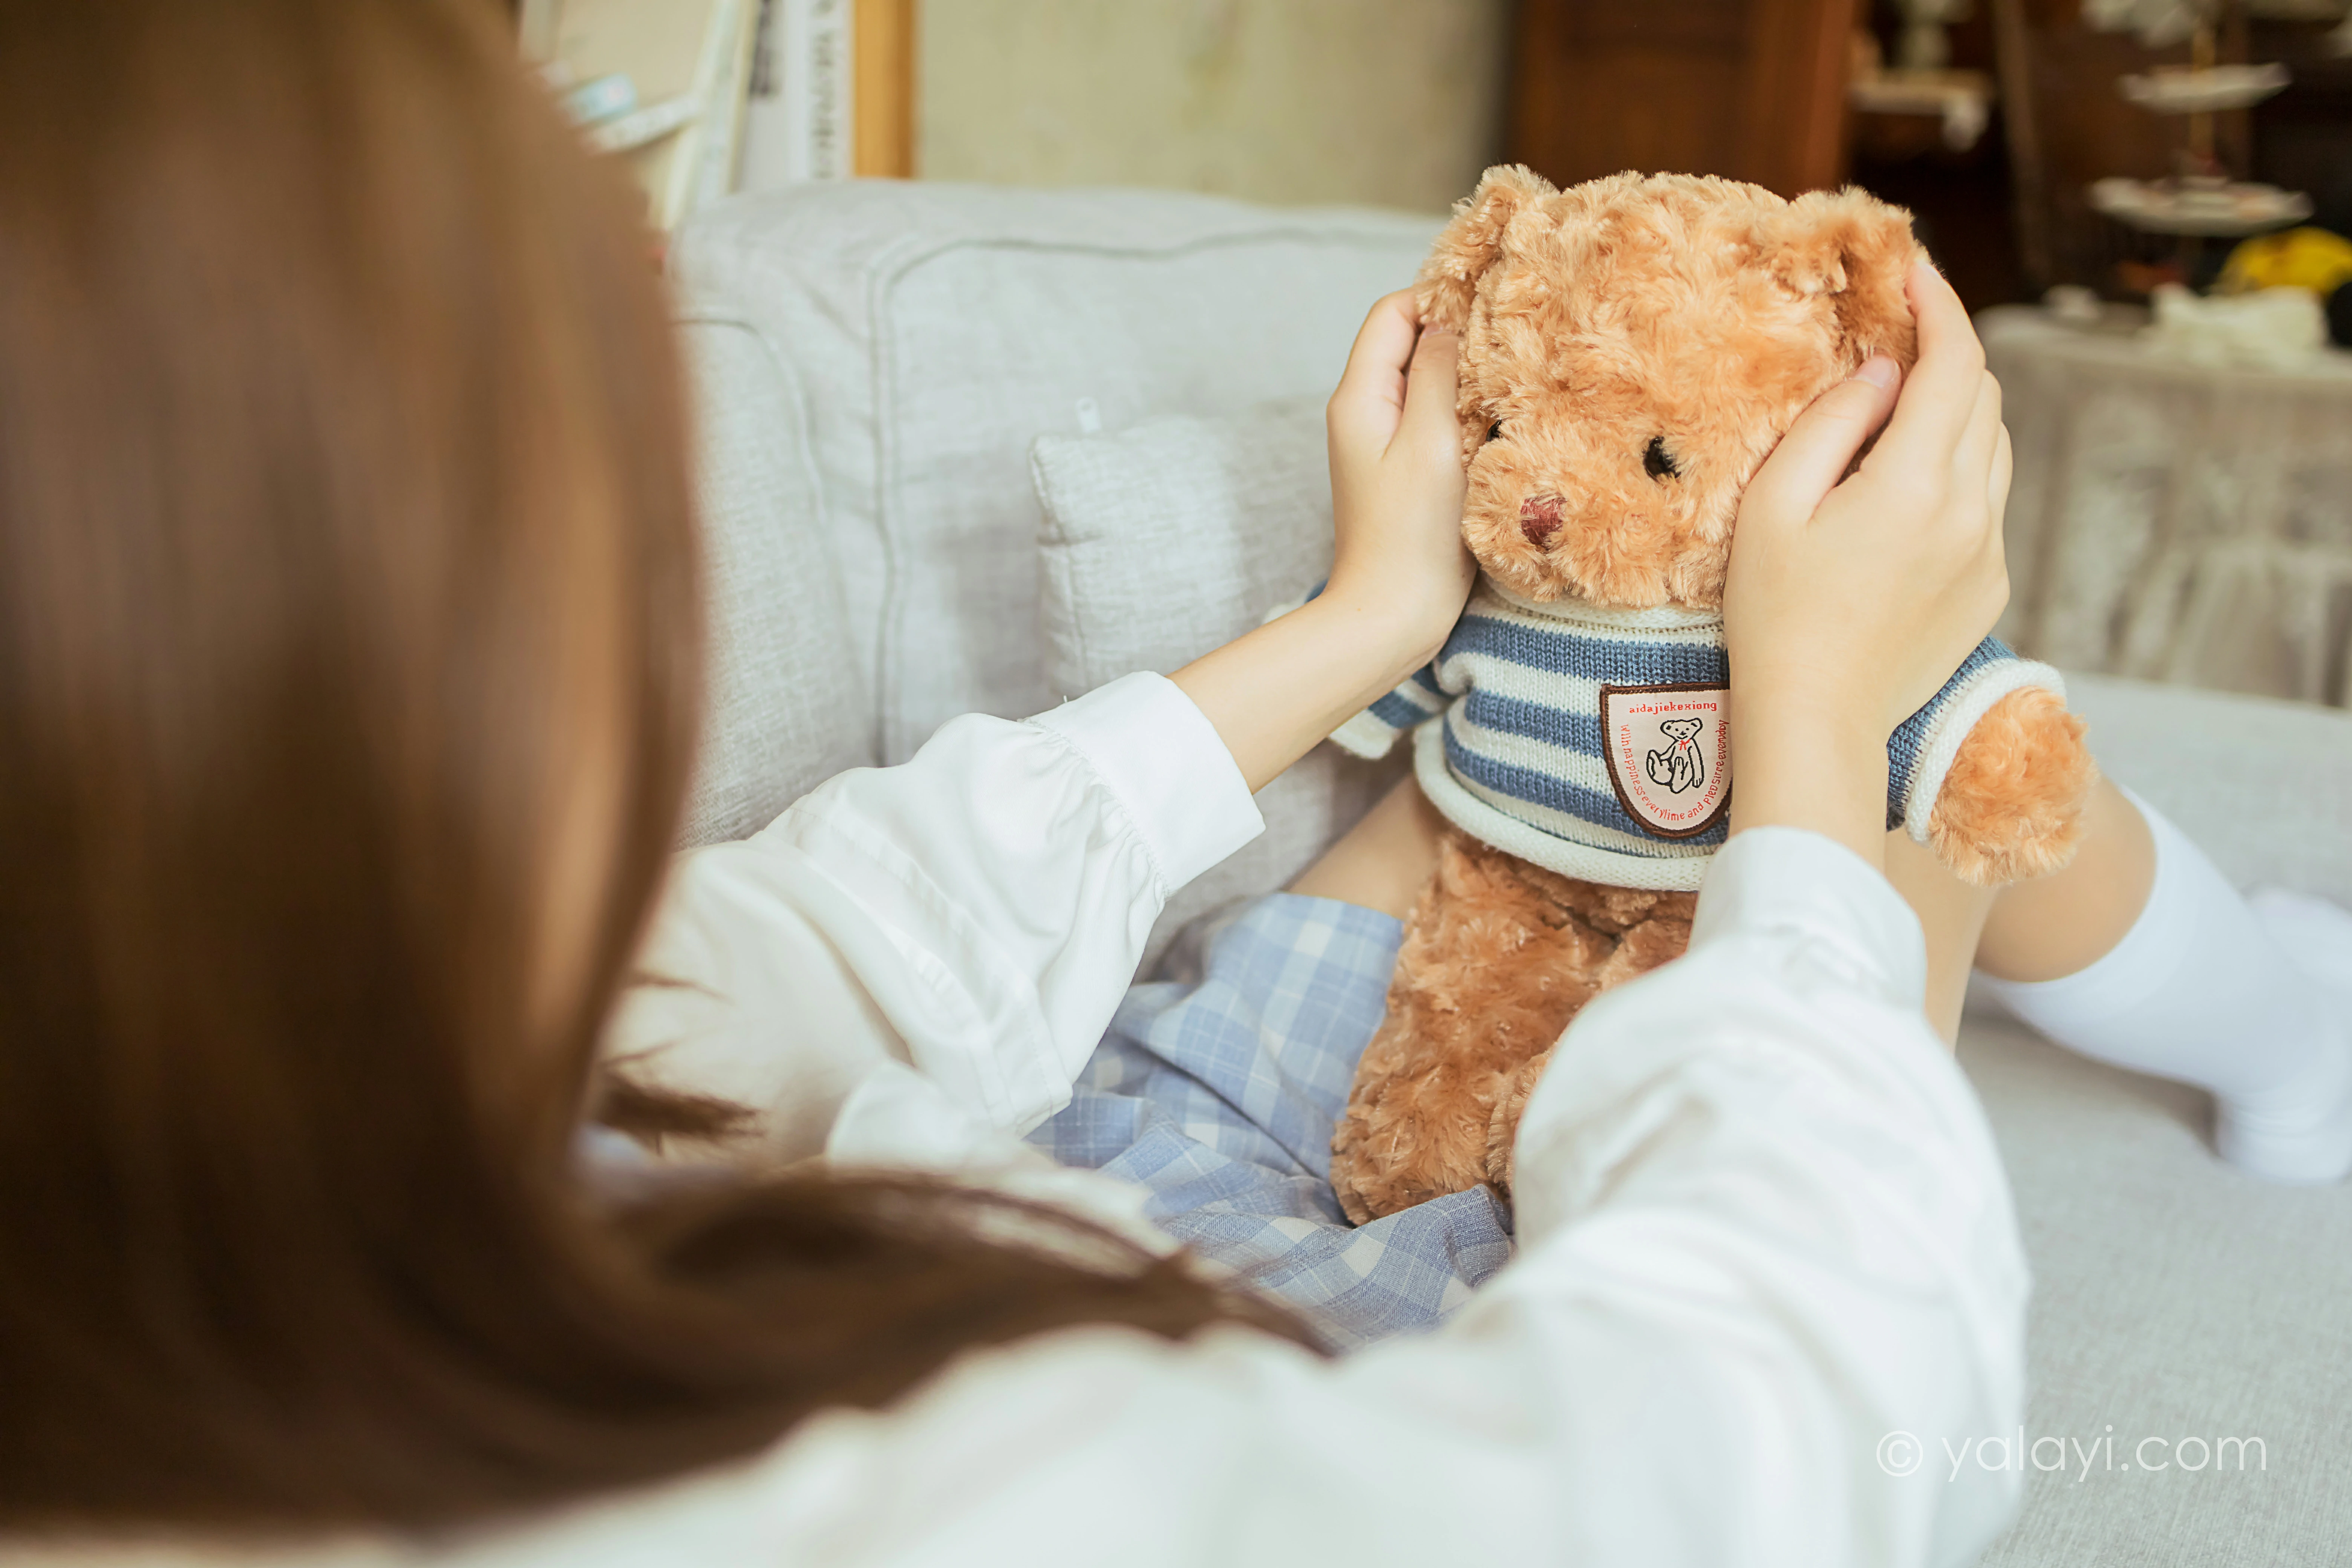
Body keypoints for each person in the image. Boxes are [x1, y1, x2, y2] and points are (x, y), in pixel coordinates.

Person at [0, 4, 2338, 1566]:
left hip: (1208, 1110)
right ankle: (2279, 1015)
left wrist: (1362, 632)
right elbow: (1764, 1436)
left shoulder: (292, 1102)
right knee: (1972, 781)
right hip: (1398, 1225)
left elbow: (796, 952)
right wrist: (1832, 756)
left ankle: (2257, 1006)